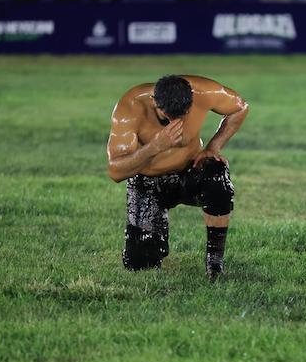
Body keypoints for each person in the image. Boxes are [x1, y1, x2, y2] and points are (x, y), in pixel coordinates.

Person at [106, 75, 249, 277]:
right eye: (168, 117)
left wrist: (213, 147)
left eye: (181, 116)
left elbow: (240, 107)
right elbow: (115, 171)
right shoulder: (131, 106)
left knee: (217, 173)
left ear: (191, 100)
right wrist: (154, 147)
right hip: (149, 182)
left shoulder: (204, 92)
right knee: (140, 264)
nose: (176, 123)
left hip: (189, 171)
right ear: (155, 102)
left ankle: (215, 263)